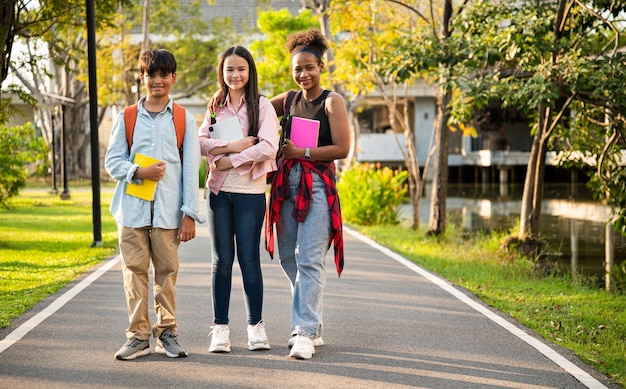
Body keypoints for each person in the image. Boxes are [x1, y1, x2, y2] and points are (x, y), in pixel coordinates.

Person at [105, 49, 204, 360]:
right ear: (142, 77)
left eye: (164, 75)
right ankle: (137, 336)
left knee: (167, 273)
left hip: (167, 214)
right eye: (152, 75)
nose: (157, 80)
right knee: (133, 273)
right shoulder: (128, 116)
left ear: (173, 78)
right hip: (132, 211)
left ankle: (168, 333)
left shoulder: (184, 118)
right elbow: (112, 161)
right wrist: (138, 172)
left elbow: (191, 170)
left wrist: (189, 214)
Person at [266, 28, 349, 359]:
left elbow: (342, 148)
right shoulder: (288, 100)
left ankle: (303, 331)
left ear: (321, 66)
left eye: (309, 67)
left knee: (309, 257)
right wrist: (222, 96)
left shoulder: (332, 101)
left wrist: (303, 152)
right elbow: (252, 106)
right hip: (286, 185)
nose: (303, 74)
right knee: (288, 257)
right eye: (297, 68)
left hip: (317, 185)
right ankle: (312, 324)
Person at [199, 46, 279, 353]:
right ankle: (220, 329)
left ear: (250, 71)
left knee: (249, 260)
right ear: (222, 72)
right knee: (221, 262)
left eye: (241, 69)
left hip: (250, 193)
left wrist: (231, 159)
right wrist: (235, 143)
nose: (235, 75)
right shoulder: (215, 104)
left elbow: (268, 146)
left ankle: (255, 328)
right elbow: (202, 142)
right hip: (219, 192)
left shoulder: (262, 106)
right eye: (229, 69)